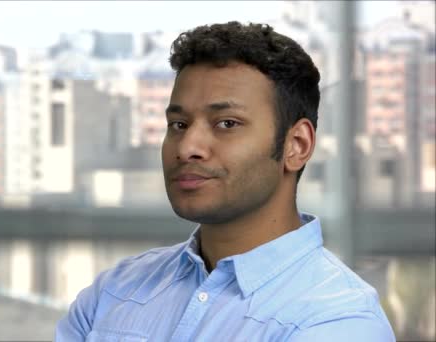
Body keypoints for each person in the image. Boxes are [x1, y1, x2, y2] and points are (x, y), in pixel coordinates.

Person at [55, 21, 395, 341]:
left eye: (227, 123)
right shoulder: (114, 291)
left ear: (297, 145)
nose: (188, 147)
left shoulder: (338, 320)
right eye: (178, 125)